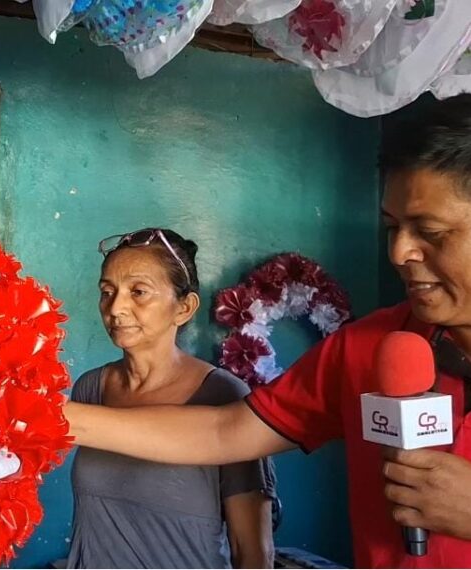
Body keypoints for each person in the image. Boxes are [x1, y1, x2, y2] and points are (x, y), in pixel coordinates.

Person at [64, 94, 471, 568]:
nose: (400, 252)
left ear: (184, 307)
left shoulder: (216, 384)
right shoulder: (365, 347)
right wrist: (31, 415)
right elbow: (224, 432)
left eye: (432, 232)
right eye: (392, 228)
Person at [67, 227, 275, 569]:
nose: (116, 307)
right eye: (107, 291)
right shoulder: (91, 389)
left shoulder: (224, 396)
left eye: (139, 292)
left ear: (184, 308)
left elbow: (252, 550)